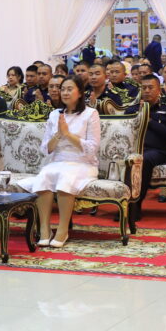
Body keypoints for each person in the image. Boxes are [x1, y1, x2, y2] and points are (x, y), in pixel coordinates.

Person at [18, 77, 101, 248]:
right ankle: (45, 229)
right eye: (63, 89)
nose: (65, 92)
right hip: (57, 161)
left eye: (69, 89)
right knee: (44, 176)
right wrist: (58, 134)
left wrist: (68, 134)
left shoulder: (91, 114)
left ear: (80, 93)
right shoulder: (55, 114)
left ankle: (63, 230)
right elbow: (46, 149)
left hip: (83, 163)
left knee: (65, 177)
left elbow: (92, 148)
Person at [126, 75, 166, 223]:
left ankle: (135, 205)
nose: (147, 91)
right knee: (128, 159)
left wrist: (149, 120)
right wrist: (138, 115)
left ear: (159, 90)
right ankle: (124, 204)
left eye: (150, 88)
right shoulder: (132, 109)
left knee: (144, 160)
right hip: (134, 149)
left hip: (158, 151)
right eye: (144, 88)